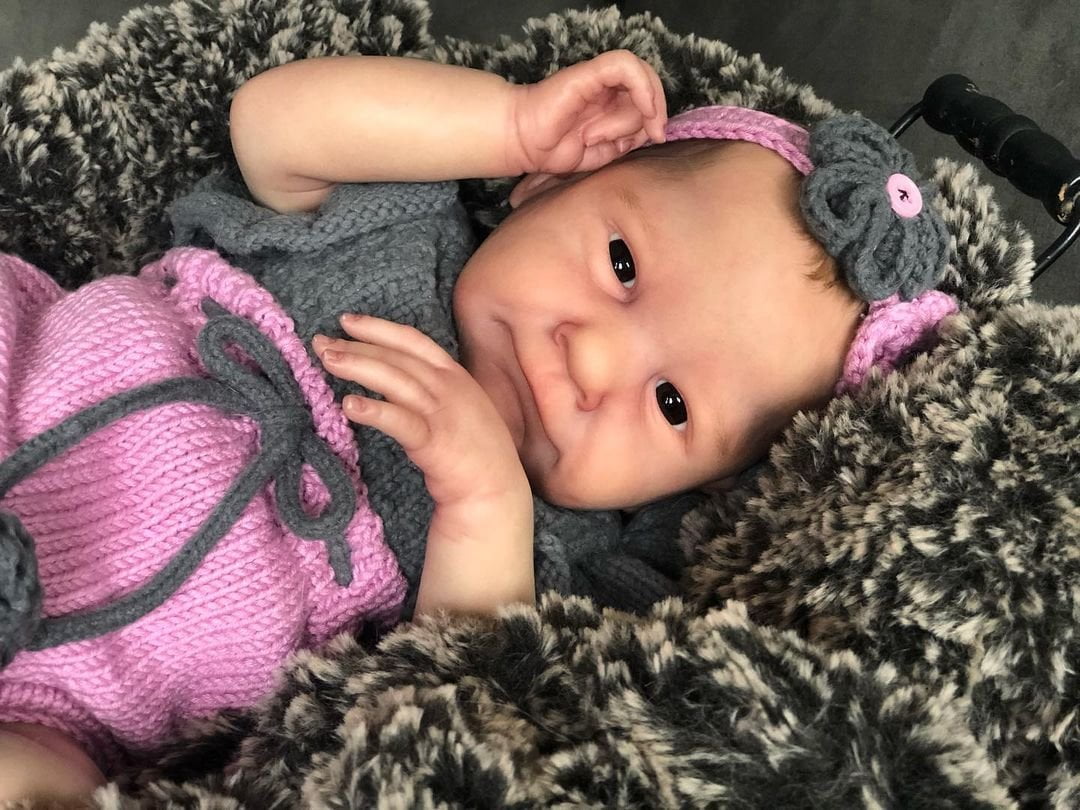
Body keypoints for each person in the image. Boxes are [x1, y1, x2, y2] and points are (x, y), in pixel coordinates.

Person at [0, 50, 955, 802]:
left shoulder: (561, 559)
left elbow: (456, 686)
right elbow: (272, 126)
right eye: (621, 266)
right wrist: (510, 122)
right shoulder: (398, 232)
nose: (592, 361)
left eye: (672, 404)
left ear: (696, 489)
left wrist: (484, 505)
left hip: (73, 700)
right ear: (546, 187)